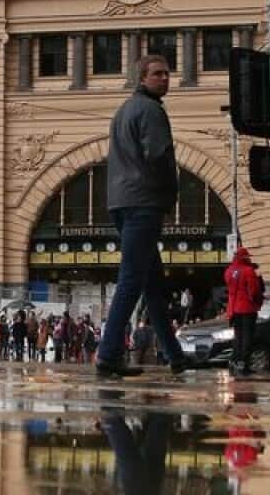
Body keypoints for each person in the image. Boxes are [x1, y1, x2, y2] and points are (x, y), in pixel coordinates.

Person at [95, 55, 189, 378]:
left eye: (167, 73)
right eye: (158, 74)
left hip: (122, 201)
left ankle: (174, 354)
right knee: (133, 280)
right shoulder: (151, 111)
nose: (165, 79)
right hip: (143, 201)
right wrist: (172, 192)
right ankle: (108, 354)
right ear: (142, 78)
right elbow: (159, 156)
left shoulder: (124, 111)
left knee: (152, 284)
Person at [224, 246, 264, 376]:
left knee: (238, 336)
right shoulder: (249, 271)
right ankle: (244, 364)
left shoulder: (228, 271)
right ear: (245, 257)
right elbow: (254, 291)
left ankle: (234, 362)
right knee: (248, 337)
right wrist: (258, 301)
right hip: (247, 308)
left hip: (233, 309)